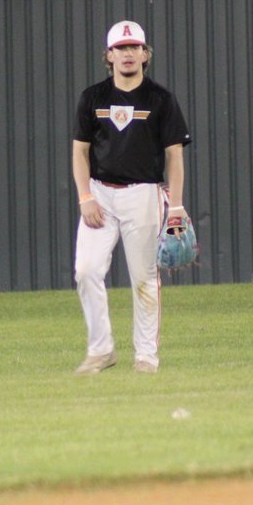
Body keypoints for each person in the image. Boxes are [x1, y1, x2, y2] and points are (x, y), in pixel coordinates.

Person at [71, 20, 191, 375]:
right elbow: (80, 152)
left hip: (144, 193)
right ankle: (101, 350)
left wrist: (177, 207)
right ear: (109, 55)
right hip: (100, 194)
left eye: (134, 47)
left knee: (143, 278)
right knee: (86, 270)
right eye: (120, 48)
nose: (127, 53)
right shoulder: (92, 97)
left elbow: (174, 155)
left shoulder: (160, 99)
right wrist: (85, 197)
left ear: (144, 53)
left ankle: (146, 358)